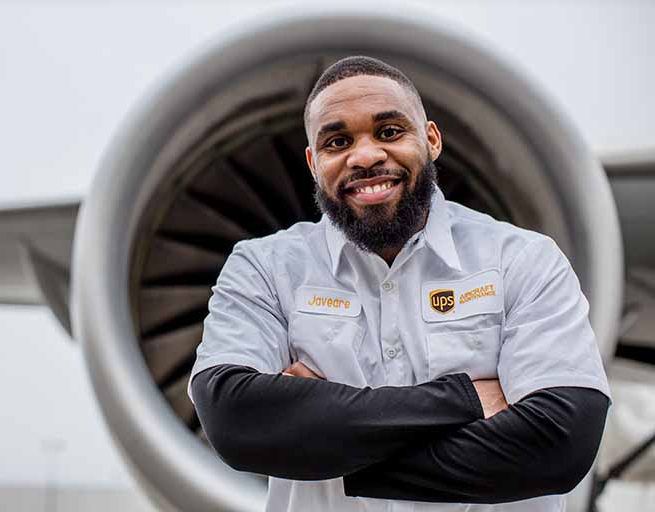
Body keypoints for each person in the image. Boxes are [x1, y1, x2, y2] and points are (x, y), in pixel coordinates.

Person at [187, 55, 611, 512]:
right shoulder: (263, 266)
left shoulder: (525, 259)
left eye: (389, 132)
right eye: (337, 141)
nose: (366, 156)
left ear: (431, 140)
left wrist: (323, 441)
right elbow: (233, 416)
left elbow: (560, 444)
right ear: (313, 163)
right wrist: (464, 398)